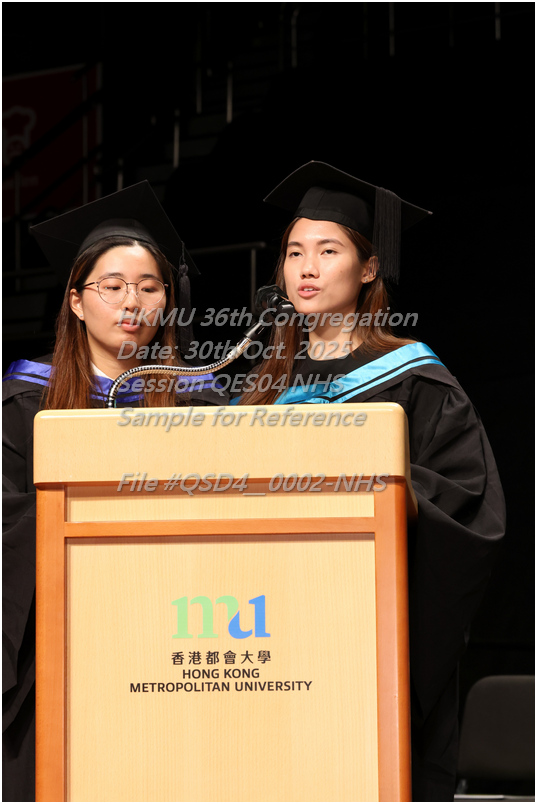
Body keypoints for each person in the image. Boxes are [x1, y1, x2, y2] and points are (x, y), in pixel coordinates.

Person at [234, 161, 506, 802]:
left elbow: (465, 500)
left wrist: (368, 494)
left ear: (368, 268)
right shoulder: (264, 385)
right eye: (294, 252)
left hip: (365, 628)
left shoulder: (414, 378)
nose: (306, 268)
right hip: (267, 628)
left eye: (328, 251)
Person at [2, 181, 227, 802]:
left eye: (150, 287)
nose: (133, 302)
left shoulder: (202, 405)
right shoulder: (25, 402)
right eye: (113, 286)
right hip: (55, 642)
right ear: (76, 302)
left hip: (172, 638)